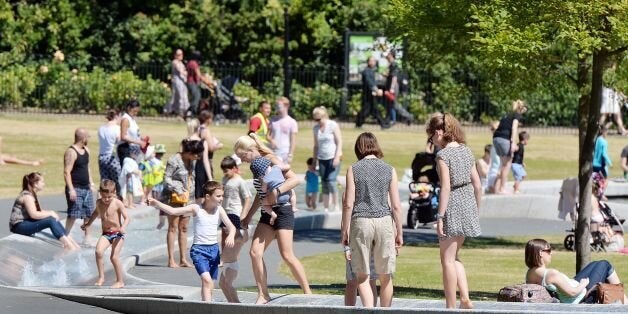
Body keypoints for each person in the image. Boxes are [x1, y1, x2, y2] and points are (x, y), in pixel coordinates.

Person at [234, 134, 311, 304]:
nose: (243, 161)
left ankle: (308, 293)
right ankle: (263, 294)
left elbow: (294, 179)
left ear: (252, 150)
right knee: (255, 252)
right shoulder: (256, 167)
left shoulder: (271, 159)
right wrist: (248, 217)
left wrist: (276, 192)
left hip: (283, 210)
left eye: (243, 156)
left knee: (287, 255)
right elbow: (260, 195)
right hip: (267, 212)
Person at [340, 132, 403, 308]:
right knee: (386, 276)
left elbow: (348, 204)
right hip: (384, 220)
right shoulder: (389, 169)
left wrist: (345, 230)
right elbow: (396, 205)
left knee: (362, 277)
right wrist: (399, 231)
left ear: (359, 148)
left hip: (361, 220)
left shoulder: (353, 169)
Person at [426, 113, 482, 309]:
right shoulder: (467, 151)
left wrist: (440, 216)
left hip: (453, 205)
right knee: (455, 255)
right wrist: (476, 208)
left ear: (439, 132)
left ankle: (450, 306)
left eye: (431, 136)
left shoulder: (443, 155)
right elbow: (477, 184)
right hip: (468, 202)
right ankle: (465, 299)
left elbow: (446, 187)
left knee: (447, 260)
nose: (432, 140)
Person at [149, 181, 237, 302]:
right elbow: (173, 211)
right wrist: (156, 203)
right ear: (207, 196)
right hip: (199, 250)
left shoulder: (219, 210)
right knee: (206, 280)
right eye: (218, 196)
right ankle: (208, 306)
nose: (221, 198)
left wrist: (231, 235)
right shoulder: (196, 209)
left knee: (209, 283)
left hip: (214, 251)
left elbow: (232, 227)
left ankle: (206, 305)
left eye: (222, 195)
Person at [524, 238, 628, 304]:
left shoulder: (530, 273)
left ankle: (623, 301)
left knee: (595, 264)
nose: (551, 253)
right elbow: (573, 293)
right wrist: (583, 284)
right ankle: (625, 304)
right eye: (549, 251)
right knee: (605, 264)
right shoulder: (551, 274)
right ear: (541, 253)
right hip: (582, 298)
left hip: (572, 291)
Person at [9, 172, 80, 251]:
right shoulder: (27, 196)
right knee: (50, 220)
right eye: (42, 182)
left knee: (52, 218)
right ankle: (68, 245)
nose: (44, 184)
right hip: (19, 226)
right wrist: (50, 213)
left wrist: (51, 213)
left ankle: (72, 242)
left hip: (26, 222)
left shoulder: (32, 194)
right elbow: (34, 214)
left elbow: (39, 211)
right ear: (35, 184)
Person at [162, 139, 205, 268]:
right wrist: (178, 188)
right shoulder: (173, 160)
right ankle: (171, 260)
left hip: (188, 198)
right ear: (189, 152)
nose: (198, 157)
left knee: (184, 227)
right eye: (196, 154)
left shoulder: (192, 161)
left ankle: (183, 259)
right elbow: (166, 178)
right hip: (174, 198)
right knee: (173, 227)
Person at [81, 179, 130, 288]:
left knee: (114, 257)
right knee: (98, 252)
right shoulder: (99, 202)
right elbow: (95, 213)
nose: (106, 199)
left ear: (114, 193)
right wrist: (88, 224)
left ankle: (120, 281)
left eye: (109, 197)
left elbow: (127, 218)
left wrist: (123, 227)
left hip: (118, 233)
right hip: (106, 233)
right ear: (100, 194)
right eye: (104, 197)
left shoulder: (117, 203)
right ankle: (101, 277)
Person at [219, 156, 252, 303]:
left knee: (235, 239)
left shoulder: (239, 181)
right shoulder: (225, 179)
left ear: (234, 168)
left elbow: (247, 198)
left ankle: (231, 260)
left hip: (235, 212)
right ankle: (225, 258)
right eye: (224, 170)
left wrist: (243, 215)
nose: (226, 172)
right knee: (225, 237)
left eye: (228, 169)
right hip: (225, 212)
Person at [63, 127, 96, 243]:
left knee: (89, 213)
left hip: (86, 188)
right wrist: (71, 190)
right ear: (83, 138)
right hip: (75, 188)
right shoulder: (71, 152)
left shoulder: (86, 150)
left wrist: (91, 183)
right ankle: (65, 235)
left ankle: (88, 237)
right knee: (73, 213)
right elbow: (67, 172)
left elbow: (87, 168)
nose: (88, 139)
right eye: (87, 137)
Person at [492, 100, 527, 194]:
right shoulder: (516, 115)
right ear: (522, 108)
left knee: (502, 165)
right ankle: (502, 188)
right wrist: (514, 143)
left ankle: (496, 188)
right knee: (507, 165)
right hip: (505, 139)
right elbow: (514, 128)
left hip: (496, 138)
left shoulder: (507, 115)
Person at [312, 106, 343, 212]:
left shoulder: (333, 125)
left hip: (333, 157)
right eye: (315, 119)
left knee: (331, 181)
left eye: (318, 119)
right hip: (322, 158)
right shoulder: (316, 129)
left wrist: (337, 157)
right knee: (324, 182)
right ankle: (326, 207)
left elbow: (339, 142)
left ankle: (336, 205)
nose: (317, 121)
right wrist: (314, 161)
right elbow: (316, 146)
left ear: (324, 116)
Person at [195, 110, 222, 202]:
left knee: (198, 187)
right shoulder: (206, 130)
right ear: (208, 119)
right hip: (206, 160)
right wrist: (219, 145)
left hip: (197, 160)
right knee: (208, 186)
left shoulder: (197, 128)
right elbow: (210, 148)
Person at [356, 56, 387, 129]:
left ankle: (382, 124)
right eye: (372, 61)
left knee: (374, 110)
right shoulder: (366, 71)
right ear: (368, 62)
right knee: (366, 110)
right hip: (367, 94)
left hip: (371, 94)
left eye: (374, 61)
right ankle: (358, 124)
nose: (374, 62)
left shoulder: (371, 71)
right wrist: (376, 90)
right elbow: (369, 82)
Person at [97, 110, 122, 197]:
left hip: (102, 156)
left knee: (104, 182)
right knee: (118, 181)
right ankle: (120, 200)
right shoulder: (117, 128)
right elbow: (118, 142)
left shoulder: (101, 128)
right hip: (112, 157)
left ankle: (101, 200)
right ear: (116, 116)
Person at [268, 97, 298, 165]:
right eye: (276, 106)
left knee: (284, 174)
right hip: (273, 152)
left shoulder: (292, 122)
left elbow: (293, 140)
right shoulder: (272, 120)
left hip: (285, 152)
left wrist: (291, 154)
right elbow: (267, 135)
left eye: (279, 106)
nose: (277, 108)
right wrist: (271, 140)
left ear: (286, 106)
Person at [186, 51, 214, 116]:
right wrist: (207, 82)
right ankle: (192, 113)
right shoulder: (194, 63)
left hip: (191, 83)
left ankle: (189, 112)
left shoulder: (190, 62)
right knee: (196, 98)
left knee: (195, 98)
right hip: (193, 83)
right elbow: (198, 74)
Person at [165, 48, 190, 118]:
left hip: (182, 81)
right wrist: (187, 73)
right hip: (177, 82)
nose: (181, 56)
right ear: (175, 55)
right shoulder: (175, 62)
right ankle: (176, 111)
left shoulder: (181, 62)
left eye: (181, 54)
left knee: (183, 96)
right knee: (178, 96)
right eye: (179, 55)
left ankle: (182, 111)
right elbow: (180, 70)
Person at [118, 144, 142, 209]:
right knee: (129, 192)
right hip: (129, 180)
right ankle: (129, 204)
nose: (136, 156)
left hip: (132, 179)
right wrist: (135, 171)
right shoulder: (127, 160)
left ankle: (130, 203)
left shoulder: (132, 161)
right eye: (135, 154)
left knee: (131, 192)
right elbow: (127, 169)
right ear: (131, 153)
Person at [152, 144, 168, 229]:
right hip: (156, 181)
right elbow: (153, 171)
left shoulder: (160, 161)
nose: (161, 155)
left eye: (162, 153)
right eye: (160, 153)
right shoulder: (153, 161)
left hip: (161, 181)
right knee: (157, 194)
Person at [384, 51, 399, 125]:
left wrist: (392, 88)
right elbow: (390, 76)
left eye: (388, 54)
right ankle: (390, 119)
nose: (387, 56)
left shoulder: (394, 64)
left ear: (391, 55)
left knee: (392, 103)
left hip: (393, 87)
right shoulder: (391, 64)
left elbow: (394, 77)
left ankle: (393, 120)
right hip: (390, 86)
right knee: (389, 104)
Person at [486, 122, 501, 193]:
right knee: (495, 191)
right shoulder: (498, 134)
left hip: (494, 170)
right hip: (495, 170)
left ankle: (490, 188)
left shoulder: (497, 135)